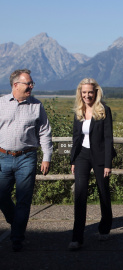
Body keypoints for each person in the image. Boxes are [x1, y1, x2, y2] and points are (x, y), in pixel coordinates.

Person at [0, 69, 53, 252]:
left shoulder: (36, 105)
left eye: (32, 83)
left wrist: (46, 157)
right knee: (1, 195)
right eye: (28, 83)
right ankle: (16, 222)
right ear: (16, 85)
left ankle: (17, 238)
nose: (31, 86)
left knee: (24, 199)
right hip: (3, 156)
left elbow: (45, 132)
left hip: (27, 157)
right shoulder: (1, 103)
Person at [69, 78, 116, 251]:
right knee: (80, 194)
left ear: (96, 92)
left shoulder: (104, 111)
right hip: (82, 155)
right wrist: (73, 160)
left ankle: (104, 228)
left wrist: (107, 163)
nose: (87, 95)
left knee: (103, 192)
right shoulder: (78, 111)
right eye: (84, 92)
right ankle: (77, 238)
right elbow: (76, 137)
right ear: (80, 93)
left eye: (90, 92)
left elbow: (108, 138)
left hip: (100, 156)